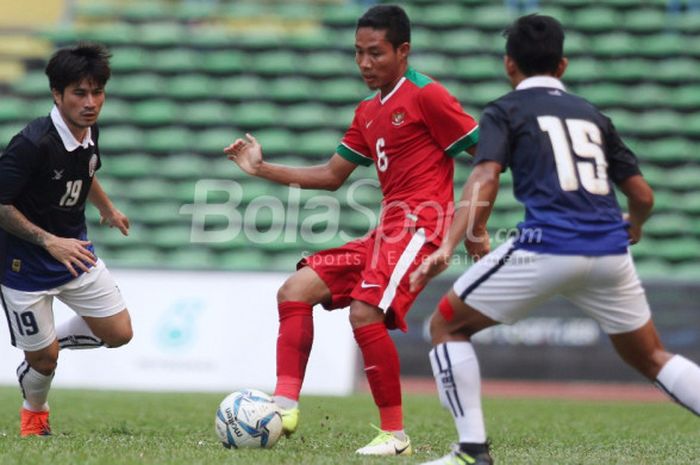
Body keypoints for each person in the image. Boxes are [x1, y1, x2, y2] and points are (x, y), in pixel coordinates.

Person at [410, 14, 700, 465]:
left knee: (446, 326)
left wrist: (456, 241)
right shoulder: (592, 115)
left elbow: (485, 176)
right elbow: (642, 194)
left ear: (509, 65)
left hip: (547, 247)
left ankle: (471, 452)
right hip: (610, 252)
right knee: (652, 356)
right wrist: (636, 225)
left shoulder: (504, 110)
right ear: (562, 65)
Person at [224, 4, 479, 456]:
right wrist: (260, 168)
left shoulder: (428, 96)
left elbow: (486, 157)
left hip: (422, 227)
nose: (365, 63)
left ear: (403, 51)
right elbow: (331, 175)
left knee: (364, 313)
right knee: (295, 289)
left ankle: (394, 434)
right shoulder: (368, 110)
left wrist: (471, 230)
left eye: (375, 53)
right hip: (386, 230)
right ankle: (284, 407)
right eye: (358, 53)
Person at [0, 42, 133, 437]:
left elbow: (86, 171)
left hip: (75, 253)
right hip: (23, 266)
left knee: (119, 334)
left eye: (97, 92)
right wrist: (48, 241)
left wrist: (106, 208)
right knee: (44, 364)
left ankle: (43, 347)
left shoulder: (90, 131)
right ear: (57, 95)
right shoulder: (31, 144)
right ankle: (34, 413)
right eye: (79, 93)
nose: (90, 102)